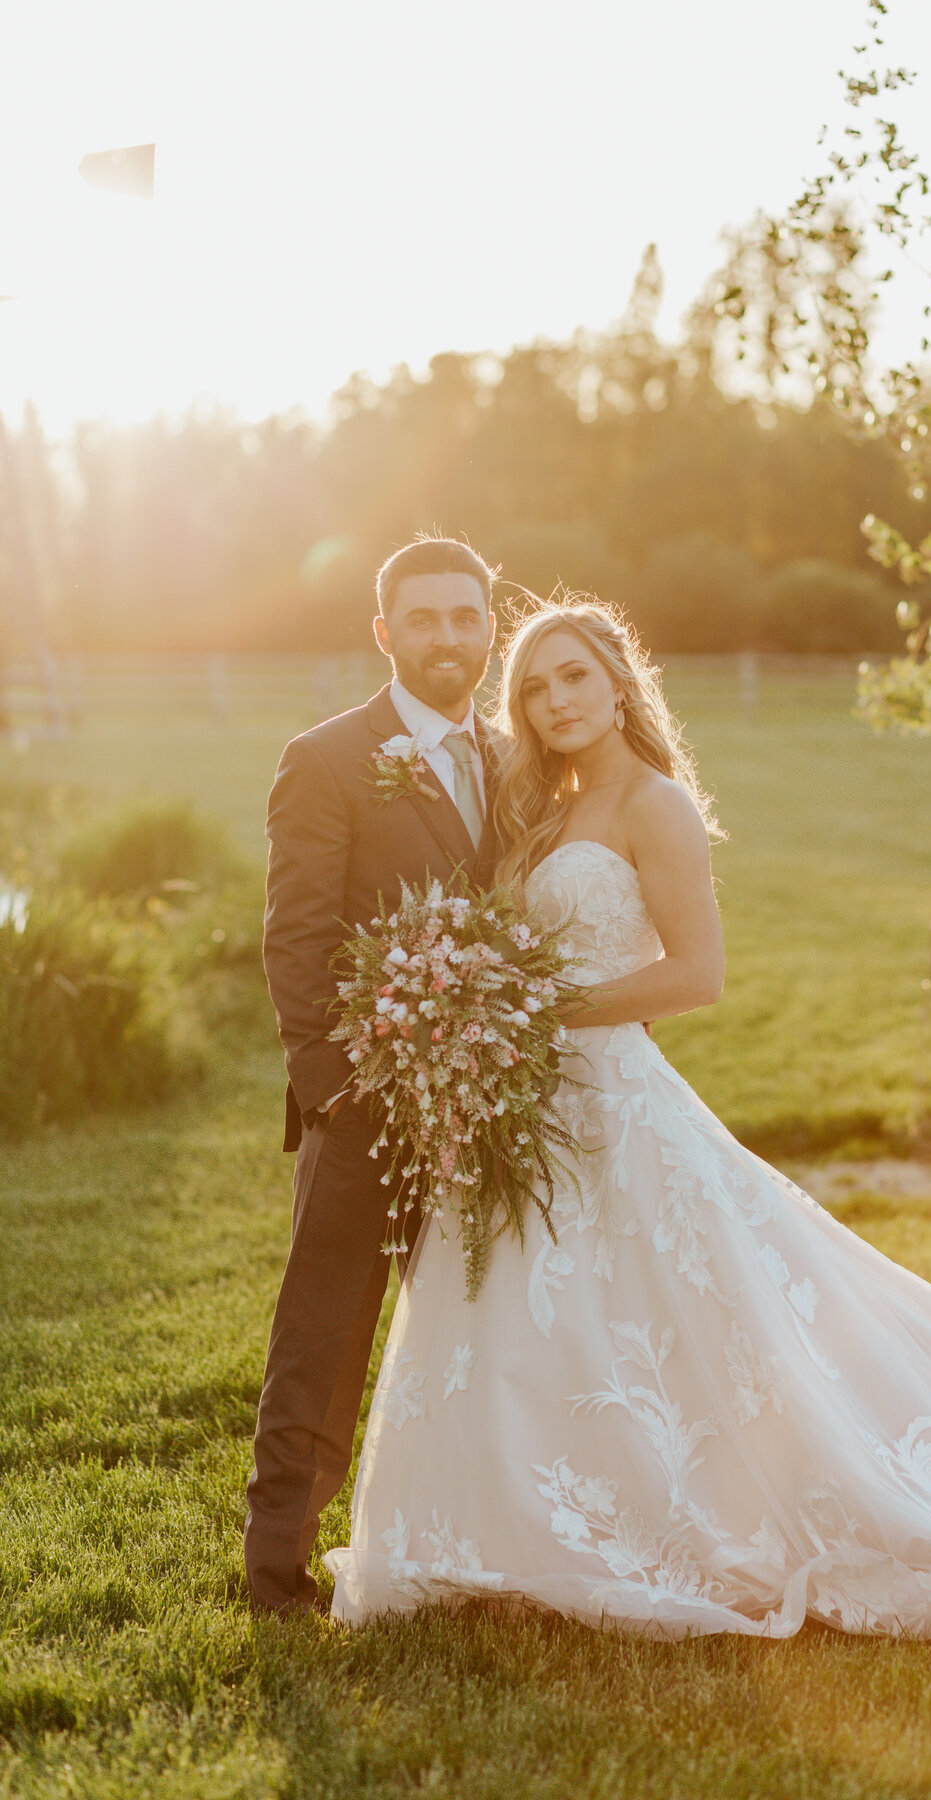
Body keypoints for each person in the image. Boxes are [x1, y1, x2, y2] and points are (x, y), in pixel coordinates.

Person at [325, 596, 931, 1639]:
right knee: (534, 1319)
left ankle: (699, 1520)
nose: (554, 700)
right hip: (522, 1109)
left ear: (618, 684)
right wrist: (471, 1009)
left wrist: (523, 1011)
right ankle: (518, 1529)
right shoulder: (538, 813)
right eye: (534, 688)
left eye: (573, 678)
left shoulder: (657, 807)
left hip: (610, 1097)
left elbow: (696, 975)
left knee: (684, 1325)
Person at [245, 534, 504, 1614]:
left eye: (468, 617)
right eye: (427, 619)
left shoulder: (515, 756)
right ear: (386, 633)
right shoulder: (330, 756)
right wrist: (339, 1083)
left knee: (480, 1318)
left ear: (491, 629)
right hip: (366, 1099)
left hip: (493, 1101)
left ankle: (472, 1537)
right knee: (327, 1323)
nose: (450, 638)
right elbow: (295, 939)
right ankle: (276, 1563)